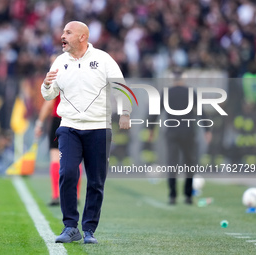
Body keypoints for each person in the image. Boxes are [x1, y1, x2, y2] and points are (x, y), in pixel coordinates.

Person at [41, 21, 131, 244]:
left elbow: (121, 86)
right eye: (63, 32)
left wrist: (125, 112)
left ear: (82, 37)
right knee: (68, 173)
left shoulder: (102, 59)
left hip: (99, 128)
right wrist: (45, 84)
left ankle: (89, 230)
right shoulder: (60, 62)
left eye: (68, 32)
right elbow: (48, 95)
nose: (62, 35)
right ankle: (70, 226)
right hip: (69, 127)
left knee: (96, 181)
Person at [148, 69, 212, 205]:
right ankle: (188, 196)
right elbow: (201, 112)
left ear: (172, 79)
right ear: (183, 78)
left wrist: (151, 129)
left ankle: (172, 196)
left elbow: (155, 112)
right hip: (188, 132)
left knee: (172, 164)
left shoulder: (166, 93)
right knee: (189, 164)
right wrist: (207, 129)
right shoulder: (190, 92)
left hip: (172, 132)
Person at [34, 96, 82, 206]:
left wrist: (39, 123)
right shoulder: (82, 79)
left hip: (59, 120)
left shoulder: (57, 78)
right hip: (76, 120)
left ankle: (56, 195)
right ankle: (75, 195)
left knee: (55, 156)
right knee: (76, 158)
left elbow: (49, 103)